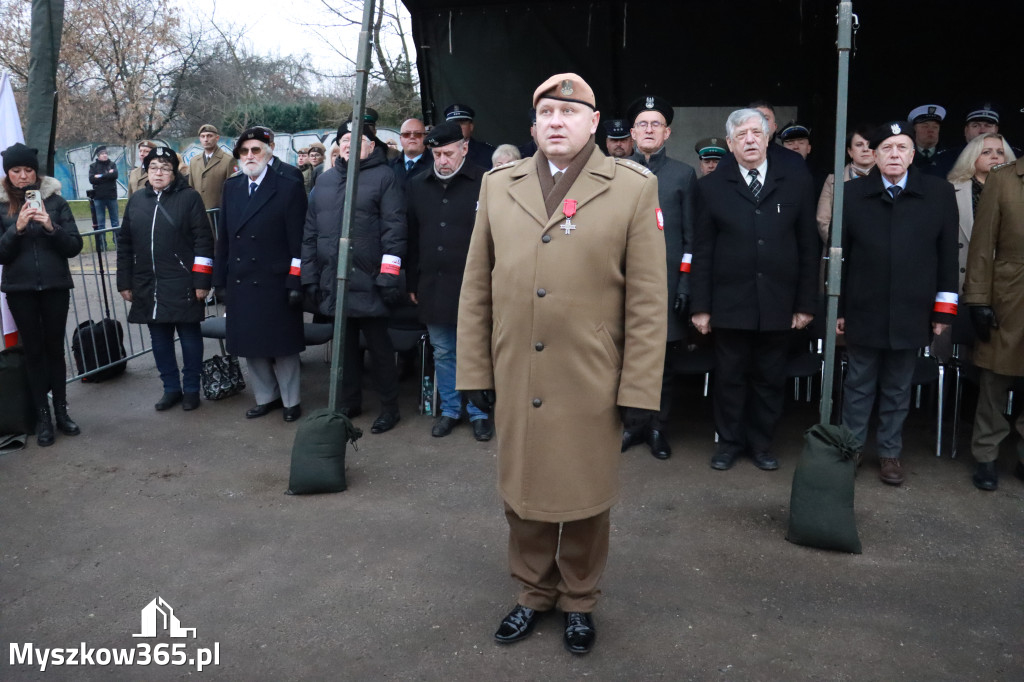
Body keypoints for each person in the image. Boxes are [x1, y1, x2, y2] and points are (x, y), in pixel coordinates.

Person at [457, 73, 666, 655]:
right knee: (521, 491)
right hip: (516, 369)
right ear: (533, 124)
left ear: (593, 122)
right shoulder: (500, 185)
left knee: (585, 495)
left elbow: (648, 300)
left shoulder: (631, 187)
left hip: (590, 376)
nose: (556, 121)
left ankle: (579, 600)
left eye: (569, 113)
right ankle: (532, 593)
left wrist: (640, 389)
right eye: (546, 112)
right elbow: (477, 285)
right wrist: (473, 371)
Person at [690, 108, 819, 472]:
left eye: (756, 133)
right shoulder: (711, 187)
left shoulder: (794, 182)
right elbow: (702, 250)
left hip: (779, 301)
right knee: (729, 377)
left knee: (769, 378)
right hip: (729, 302)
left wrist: (805, 304)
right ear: (730, 144)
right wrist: (701, 306)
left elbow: (808, 246)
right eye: (741, 135)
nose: (749, 140)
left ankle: (762, 443)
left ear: (767, 139)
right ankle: (729, 443)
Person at [837, 121, 958, 486]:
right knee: (858, 384)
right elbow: (841, 257)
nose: (894, 155)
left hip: (912, 308)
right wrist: (839, 310)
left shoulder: (938, 192)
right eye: (886, 148)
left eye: (901, 147)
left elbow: (947, 256)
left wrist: (943, 310)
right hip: (864, 306)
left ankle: (890, 452)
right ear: (873, 155)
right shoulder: (852, 193)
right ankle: (852, 448)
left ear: (912, 154)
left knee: (898, 385)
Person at [301, 121, 406, 433]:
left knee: (380, 349)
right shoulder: (325, 180)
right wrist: (309, 277)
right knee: (344, 348)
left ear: (371, 146)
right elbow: (310, 233)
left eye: (357, 139)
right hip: (335, 280)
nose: (349, 143)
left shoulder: (385, 177)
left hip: (371, 280)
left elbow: (395, 230)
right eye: (344, 139)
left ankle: (390, 407)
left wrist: (389, 276)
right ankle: (350, 401)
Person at [621, 94, 697, 460]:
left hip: (666, 285)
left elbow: (691, 238)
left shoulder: (683, 175)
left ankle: (657, 427)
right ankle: (632, 424)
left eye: (656, 124)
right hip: (625, 284)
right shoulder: (617, 173)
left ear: (667, 133)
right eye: (642, 124)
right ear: (633, 133)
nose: (649, 130)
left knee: (663, 362)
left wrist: (684, 282)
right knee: (627, 358)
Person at [213, 127, 307, 422]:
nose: (250, 156)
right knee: (250, 343)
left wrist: (296, 280)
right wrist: (220, 281)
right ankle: (266, 397)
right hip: (242, 279)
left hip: (276, 281)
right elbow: (224, 240)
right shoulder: (232, 187)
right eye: (244, 152)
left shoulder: (288, 187)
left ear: (268, 153)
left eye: (255, 150)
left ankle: (291, 401)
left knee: (282, 346)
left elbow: (299, 242)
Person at [406, 121, 492, 440]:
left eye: (448, 153)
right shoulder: (417, 184)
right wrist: (411, 282)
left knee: (476, 349)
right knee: (443, 350)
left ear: (464, 148)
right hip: (433, 284)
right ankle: (450, 410)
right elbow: (411, 237)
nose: (442, 161)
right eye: (437, 154)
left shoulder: (485, 182)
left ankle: (479, 412)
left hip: (474, 285)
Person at [117, 147, 213, 412]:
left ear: (174, 172)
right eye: (153, 167)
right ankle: (170, 388)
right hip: (148, 283)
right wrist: (124, 282)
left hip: (182, 281)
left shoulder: (189, 198)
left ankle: (191, 389)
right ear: (146, 171)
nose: (158, 173)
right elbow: (124, 243)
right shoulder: (137, 200)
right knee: (159, 339)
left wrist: (202, 281)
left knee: (189, 337)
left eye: (165, 168)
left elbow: (203, 241)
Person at [0, 143, 83, 446]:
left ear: (36, 172)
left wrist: (50, 226)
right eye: (16, 171)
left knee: (55, 351)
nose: (23, 176)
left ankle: (61, 411)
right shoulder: (1, 206)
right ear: (8, 174)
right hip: (20, 290)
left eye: (28, 170)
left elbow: (74, 246)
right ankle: (43, 416)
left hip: (54, 286)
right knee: (33, 352)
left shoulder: (56, 201)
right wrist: (17, 228)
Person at [963, 154, 1024, 490]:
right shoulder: (1003, 179)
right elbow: (982, 245)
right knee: (994, 381)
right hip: (1008, 293)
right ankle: (986, 454)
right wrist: (977, 299)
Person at [947, 133, 1015, 293]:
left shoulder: (1017, 191)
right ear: (972, 157)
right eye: (986, 152)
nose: (995, 156)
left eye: (1000, 152)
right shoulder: (950, 191)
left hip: (1007, 282)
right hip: (964, 280)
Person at [816, 125, 875, 245]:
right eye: (859, 145)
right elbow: (823, 220)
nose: (865, 149)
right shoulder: (832, 180)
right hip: (841, 251)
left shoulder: (889, 178)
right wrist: (842, 248)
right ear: (850, 151)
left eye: (870, 144)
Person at [187, 124, 237, 217]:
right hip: (198, 215)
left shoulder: (228, 160)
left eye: (209, 136)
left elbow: (233, 191)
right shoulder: (194, 161)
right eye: (203, 136)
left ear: (217, 138)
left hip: (219, 216)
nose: (206, 139)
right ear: (199, 139)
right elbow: (191, 189)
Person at [444, 103, 495, 170]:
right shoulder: (436, 154)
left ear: (471, 126)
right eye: (452, 124)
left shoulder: (488, 153)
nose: (457, 127)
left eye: (462, 123)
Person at [87, 145, 119, 252]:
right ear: (98, 155)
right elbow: (92, 179)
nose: (105, 155)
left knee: (115, 222)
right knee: (101, 223)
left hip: (111, 197)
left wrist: (100, 176)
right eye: (102, 154)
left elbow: (115, 175)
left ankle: (117, 243)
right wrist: (106, 175)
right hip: (98, 198)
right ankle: (103, 245)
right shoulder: (93, 166)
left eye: (106, 153)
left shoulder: (112, 164)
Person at [908, 104, 946, 176]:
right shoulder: (905, 155)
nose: (931, 130)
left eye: (935, 127)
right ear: (914, 129)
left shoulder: (948, 156)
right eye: (925, 126)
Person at [391, 118, 430, 186]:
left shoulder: (437, 165)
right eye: (406, 134)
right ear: (400, 139)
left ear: (425, 137)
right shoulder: (389, 166)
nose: (412, 137)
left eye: (417, 134)